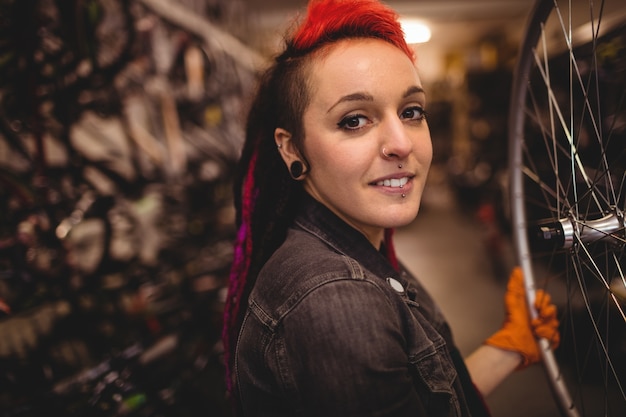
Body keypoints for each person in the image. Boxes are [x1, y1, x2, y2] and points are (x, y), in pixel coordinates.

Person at [222, 0, 560, 415]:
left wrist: (509, 346)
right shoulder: (335, 299)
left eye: (411, 111)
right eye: (354, 120)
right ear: (291, 147)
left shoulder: (355, 246)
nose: (402, 143)